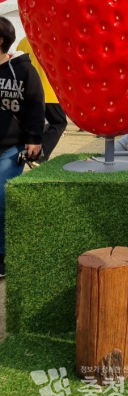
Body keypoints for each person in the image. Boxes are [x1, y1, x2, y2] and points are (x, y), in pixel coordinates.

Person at [0, 18, 45, 278]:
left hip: (11, 148)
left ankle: (4, 256)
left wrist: (34, 138)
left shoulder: (23, 69)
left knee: (1, 199)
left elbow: (37, 105)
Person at [17, 36, 68, 159]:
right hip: (48, 90)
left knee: (34, 123)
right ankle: (37, 155)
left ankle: (29, 151)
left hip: (28, 90)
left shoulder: (23, 42)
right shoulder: (52, 40)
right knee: (59, 122)